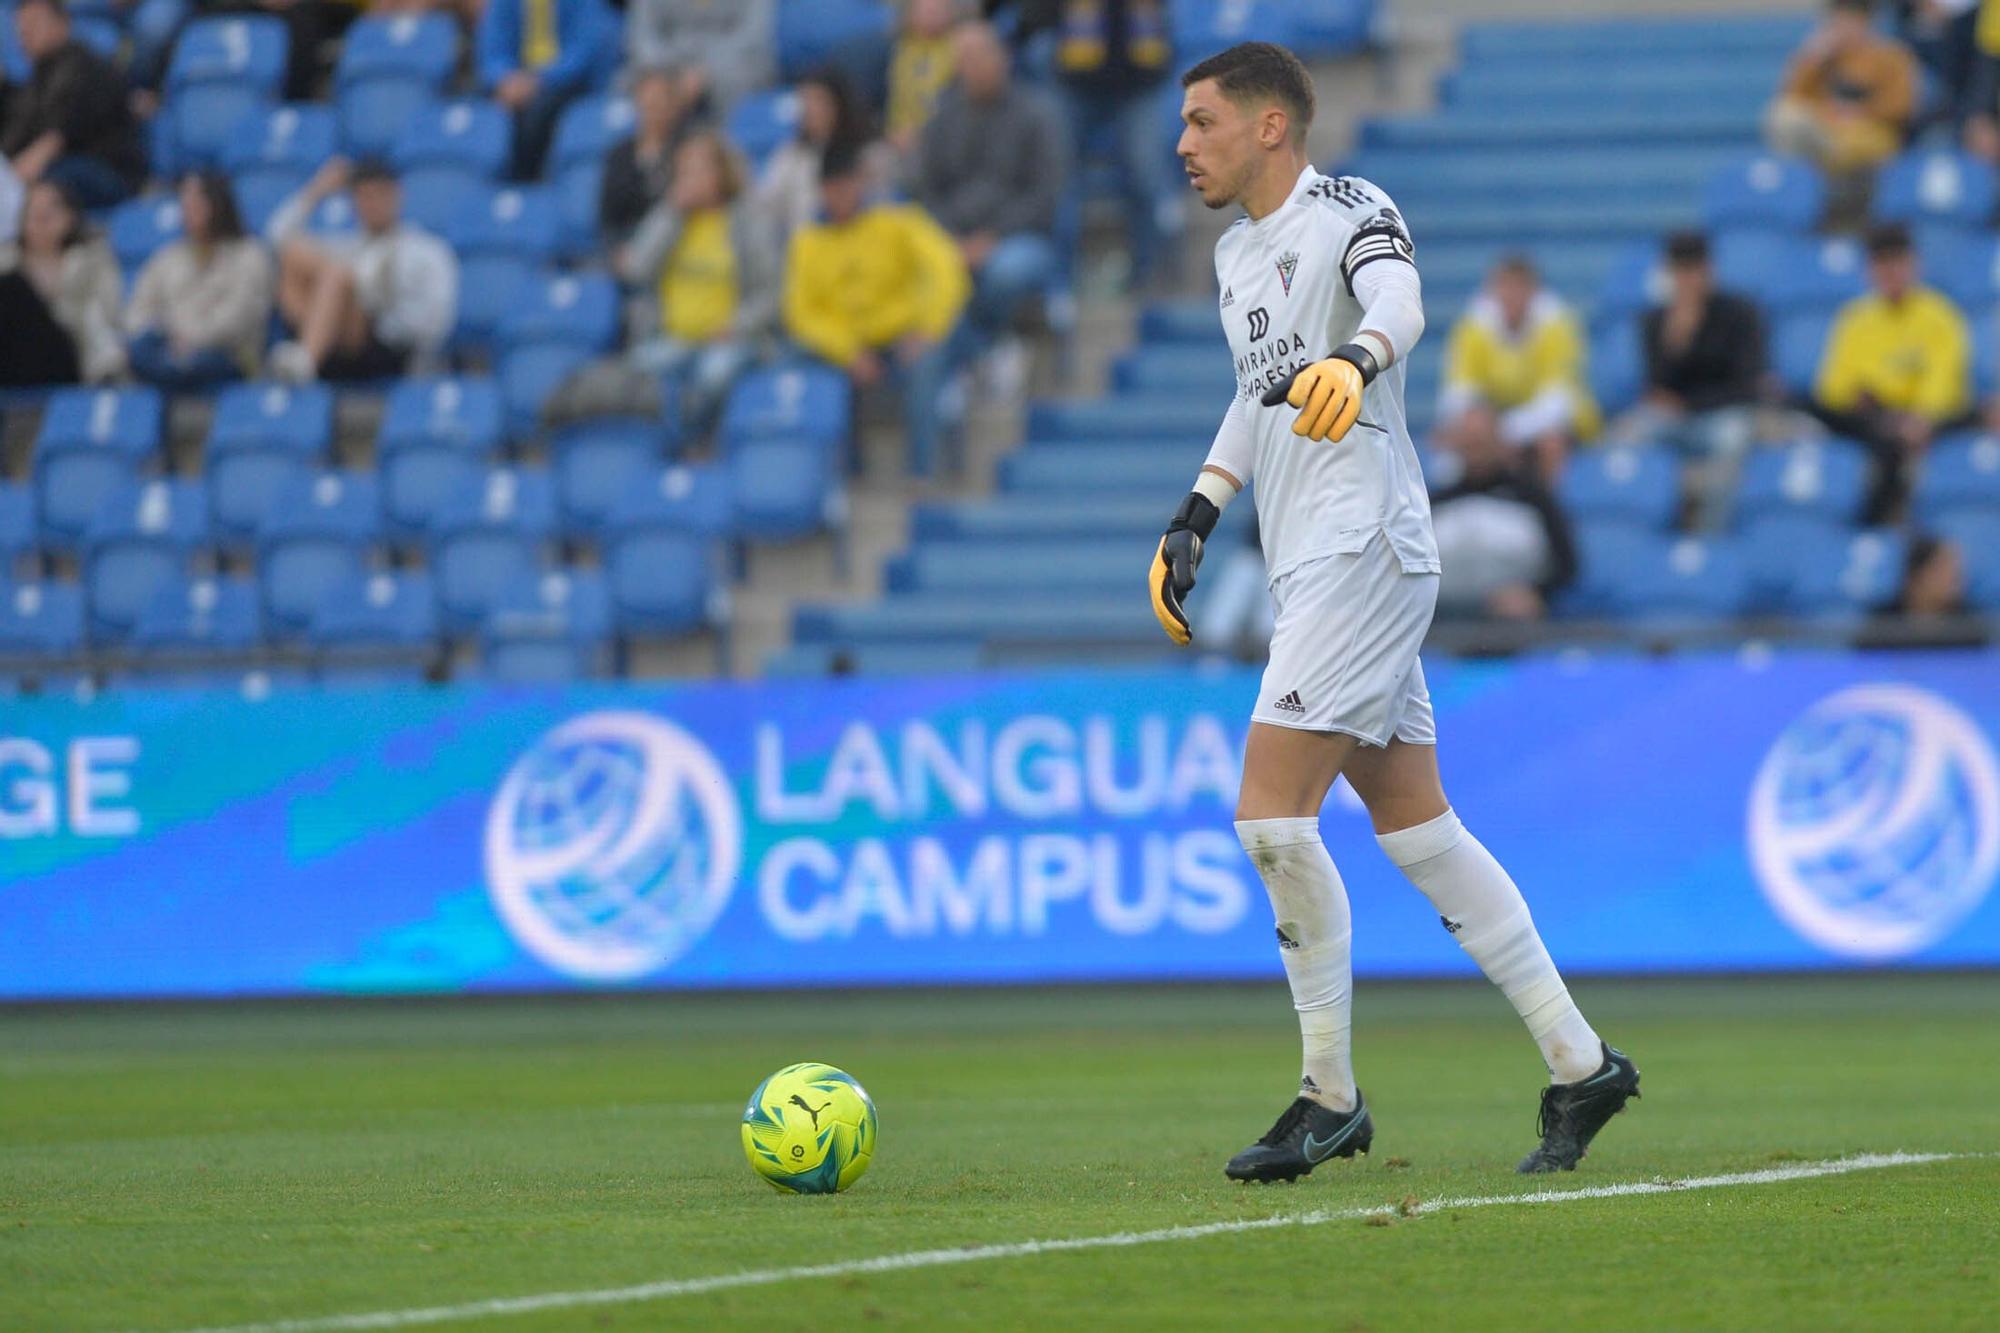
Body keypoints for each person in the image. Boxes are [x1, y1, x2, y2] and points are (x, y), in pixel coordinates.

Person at [1154, 42, 1638, 1181]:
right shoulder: (1234, 255)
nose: (1181, 144)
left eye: (1201, 121)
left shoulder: (1347, 208)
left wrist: (1360, 359)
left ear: (1270, 126)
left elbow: (1402, 300)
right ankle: (1581, 1066)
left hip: (1361, 544)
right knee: (1417, 826)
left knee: (1272, 818)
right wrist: (1198, 511)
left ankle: (1328, 1095)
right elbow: (1250, 399)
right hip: (1309, 557)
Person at [783, 139, 971, 476]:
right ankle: (842, 474)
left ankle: (922, 473)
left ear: (860, 184)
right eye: (832, 188)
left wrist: (928, 327)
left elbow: (945, 267)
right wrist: (848, 351)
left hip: (903, 335)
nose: (840, 196)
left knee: (928, 364)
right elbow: (802, 313)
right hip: (848, 344)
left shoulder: (897, 220)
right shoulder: (808, 243)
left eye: (847, 186)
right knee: (800, 361)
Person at [911, 23, 1065, 349]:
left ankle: (991, 344)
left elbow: (1045, 195)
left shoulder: (1037, 115)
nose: (973, 67)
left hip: (1019, 237)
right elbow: (925, 190)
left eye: (980, 56)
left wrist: (992, 238)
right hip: (951, 237)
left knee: (1005, 271)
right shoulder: (944, 117)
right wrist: (951, 239)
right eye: (964, 59)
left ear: (1002, 58)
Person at [615, 131, 779, 435]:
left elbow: (770, 292)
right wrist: (671, 212)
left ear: (722, 173)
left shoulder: (748, 222)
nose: (691, 179)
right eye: (685, 171)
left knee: (713, 375)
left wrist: (736, 326)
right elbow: (637, 269)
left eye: (699, 170)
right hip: (672, 336)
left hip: (731, 337)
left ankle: (699, 447)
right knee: (638, 368)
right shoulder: (670, 218)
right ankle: (670, 451)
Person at [1009, 0, 1180, 289]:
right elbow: (1032, 20)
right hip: (1073, 84)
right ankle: (1060, 283)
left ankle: (1152, 277)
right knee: (1059, 182)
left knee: (1147, 177)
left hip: (1140, 84)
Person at [1812, 222, 1972, 523]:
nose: (1890, 273)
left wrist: (1918, 416)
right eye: (1881, 264)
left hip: (1926, 418)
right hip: (1872, 417)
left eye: (1897, 262)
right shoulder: (1855, 319)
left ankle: (1872, 525)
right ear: (1869, 270)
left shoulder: (1941, 316)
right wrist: (1863, 398)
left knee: (1969, 416)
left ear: (1914, 264)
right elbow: (1834, 385)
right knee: (1800, 405)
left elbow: (1943, 383)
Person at [1613, 230, 1769, 525]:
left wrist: (1689, 404)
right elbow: (1656, 385)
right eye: (1679, 271)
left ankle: (1709, 536)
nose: (1686, 281)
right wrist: (1677, 341)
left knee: (1733, 438)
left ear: (1708, 270)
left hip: (1721, 415)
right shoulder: (1654, 321)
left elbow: (1748, 384)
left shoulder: (1740, 313)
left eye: (1693, 270)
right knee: (1625, 436)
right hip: (1673, 420)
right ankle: (1643, 530)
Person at [267, 159, 459, 383]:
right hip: (337, 346)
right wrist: (316, 191)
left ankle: (305, 359)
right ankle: (307, 356)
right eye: (363, 197)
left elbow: (436, 319)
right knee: (294, 255)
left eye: (378, 195)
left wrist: (382, 317)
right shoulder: (348, 244)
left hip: (389, 347)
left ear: (396, 195)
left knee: (336, 275)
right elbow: (277, 239)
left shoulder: (426, 250)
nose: (371, 204)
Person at [1438, 255, 1599, 481]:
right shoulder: (1473, 328)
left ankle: (1546, 511)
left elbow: (1556, 404)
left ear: (1534, 291)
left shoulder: (1557, 327)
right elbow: (1459, 393)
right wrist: (1483, 428)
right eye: (1505, 287)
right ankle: (1458, 504)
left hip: (1563, 426)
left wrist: (1503, 432)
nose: (1512, 296)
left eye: (1520, 288)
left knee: (1550, 444)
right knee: (1452, 440)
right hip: (1495, 424)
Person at [125, 172, 273, 389]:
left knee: (195, 362)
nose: (188, 210)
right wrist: (161, 335)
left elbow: (240, 317)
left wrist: (191, 338)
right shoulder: (167, 257)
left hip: (225, 353)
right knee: (138, 351)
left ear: (218, 203)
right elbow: (139, 309)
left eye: (196, 202)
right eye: (184, 203)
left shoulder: (250, 255)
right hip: (169, 346)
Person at [1, 0, 145, 209]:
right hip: (64, 167)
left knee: (50, 180)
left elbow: (54, 141)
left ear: (63, 23)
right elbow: (19, 133)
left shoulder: (85, 67)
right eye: (21, 28)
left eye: (34, 23)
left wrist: (11, 180)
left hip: (107, 173)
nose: (26, 33)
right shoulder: (37, 78)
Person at [1429, 425, 1578, 623]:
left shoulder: (1533, 499)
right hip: (1440, 619)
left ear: (1500, 445)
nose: (1475, 453)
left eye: (1481, 443)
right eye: (1469, 445)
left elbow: (1567, 562)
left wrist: (1537, 593)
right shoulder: (1436, 502)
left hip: (1513, 622)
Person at [1766, 0, 1918, 178]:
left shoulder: (1891, 56)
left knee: (1855, 143)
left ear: (1866, 22)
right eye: (1839, 21)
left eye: (1851, 20)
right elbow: (1792, 98)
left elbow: (1902, 107)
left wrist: (1861, 112)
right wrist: (1812, 59)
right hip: (1826, 132)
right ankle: (1800, 186)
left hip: (1871, 133)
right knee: (1784, 116)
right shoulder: (1823, 56)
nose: (1845, 28)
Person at [476, 0, 617, 180]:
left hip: (564, 81)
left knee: (537, 114)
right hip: (514, 82)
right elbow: (492, 47)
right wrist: (504, 79)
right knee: (487, 114)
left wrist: (539, 80)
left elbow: (583, 49)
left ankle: (529, 183)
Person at [0, 178, 122, 385]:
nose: (40, 217)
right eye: (33, 210)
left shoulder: (92, 262)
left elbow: (108, 314)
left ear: (70, 216)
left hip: (71, 355)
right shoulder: (6, 262)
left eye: (50, 210)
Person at [755, 68, 894, 250]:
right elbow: (764, 207)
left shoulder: (870, 154)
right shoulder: (790, 156)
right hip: (806, 254)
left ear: (838, 103)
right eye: (805, 101)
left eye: (818, 101)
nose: (810, 109)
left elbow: (885, 208)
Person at [598, 65, 696, 247]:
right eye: (648, 103)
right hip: (626, 244)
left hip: (677, 243)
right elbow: (608, 217)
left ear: (675, 106)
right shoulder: (619, 154)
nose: (654, 110)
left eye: (661, 102)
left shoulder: (689, 149)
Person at [625, 0, 776, 114]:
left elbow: (752, 37)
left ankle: (724, 146)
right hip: (669, 66)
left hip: (730, 65)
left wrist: (706, 72)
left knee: (743, 75)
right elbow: (643, 37)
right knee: (648, 85)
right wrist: (674, 72)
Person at [1856, 534, 1991, 648]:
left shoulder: (1969, 627)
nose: (1955, 577)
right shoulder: (1881, 625)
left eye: (1957, 569)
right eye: (1943, 569)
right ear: (1916, 574)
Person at [887, 0, 963, 153]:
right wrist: (896, 132)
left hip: (946, 141)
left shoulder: (961, 48)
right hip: (898, 138)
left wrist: (922, 136)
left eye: (938, 9)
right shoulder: (898, 49)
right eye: (926, 10)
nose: (932, 15)